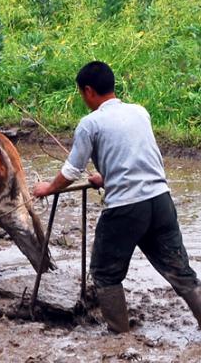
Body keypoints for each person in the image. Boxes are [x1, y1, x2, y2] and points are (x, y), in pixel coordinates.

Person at [32, 61, 201, 333]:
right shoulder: (139, 112)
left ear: (88, 91)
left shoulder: (90, 124)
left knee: (104, 273)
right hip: (160, 201)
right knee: (180, 272)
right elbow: (137, 157)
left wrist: (48, 188)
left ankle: (119, 336)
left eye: (81, 93)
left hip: (126, 209)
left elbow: (72, 170)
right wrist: (106, 176)